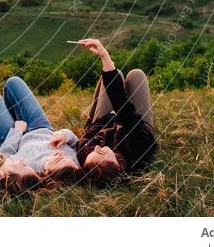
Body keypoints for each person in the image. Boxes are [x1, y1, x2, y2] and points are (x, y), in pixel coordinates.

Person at [50, 38, 157, 186]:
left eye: (94, 151)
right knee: (136, 75)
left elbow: (88, 131)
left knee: (116, 74)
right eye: (101, 153)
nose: (98, 147)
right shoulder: (138, 148)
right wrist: (104, 56)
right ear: (118, 165)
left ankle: (112, 76)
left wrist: (66, 136)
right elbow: (124, 109)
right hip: (136, 124)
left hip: (103, 121)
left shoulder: (85, 155)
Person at [0, 76, 81, 186]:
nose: (61, 154)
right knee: (13, 82)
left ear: (48, 174)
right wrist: (65, 135)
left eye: (58, 160)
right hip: (41, 127)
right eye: (67, 157)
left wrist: (17, 131)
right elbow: (76, 143)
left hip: (10, 139)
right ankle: (10, 116)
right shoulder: (74, 165)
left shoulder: (30, 171)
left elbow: (5, 156)